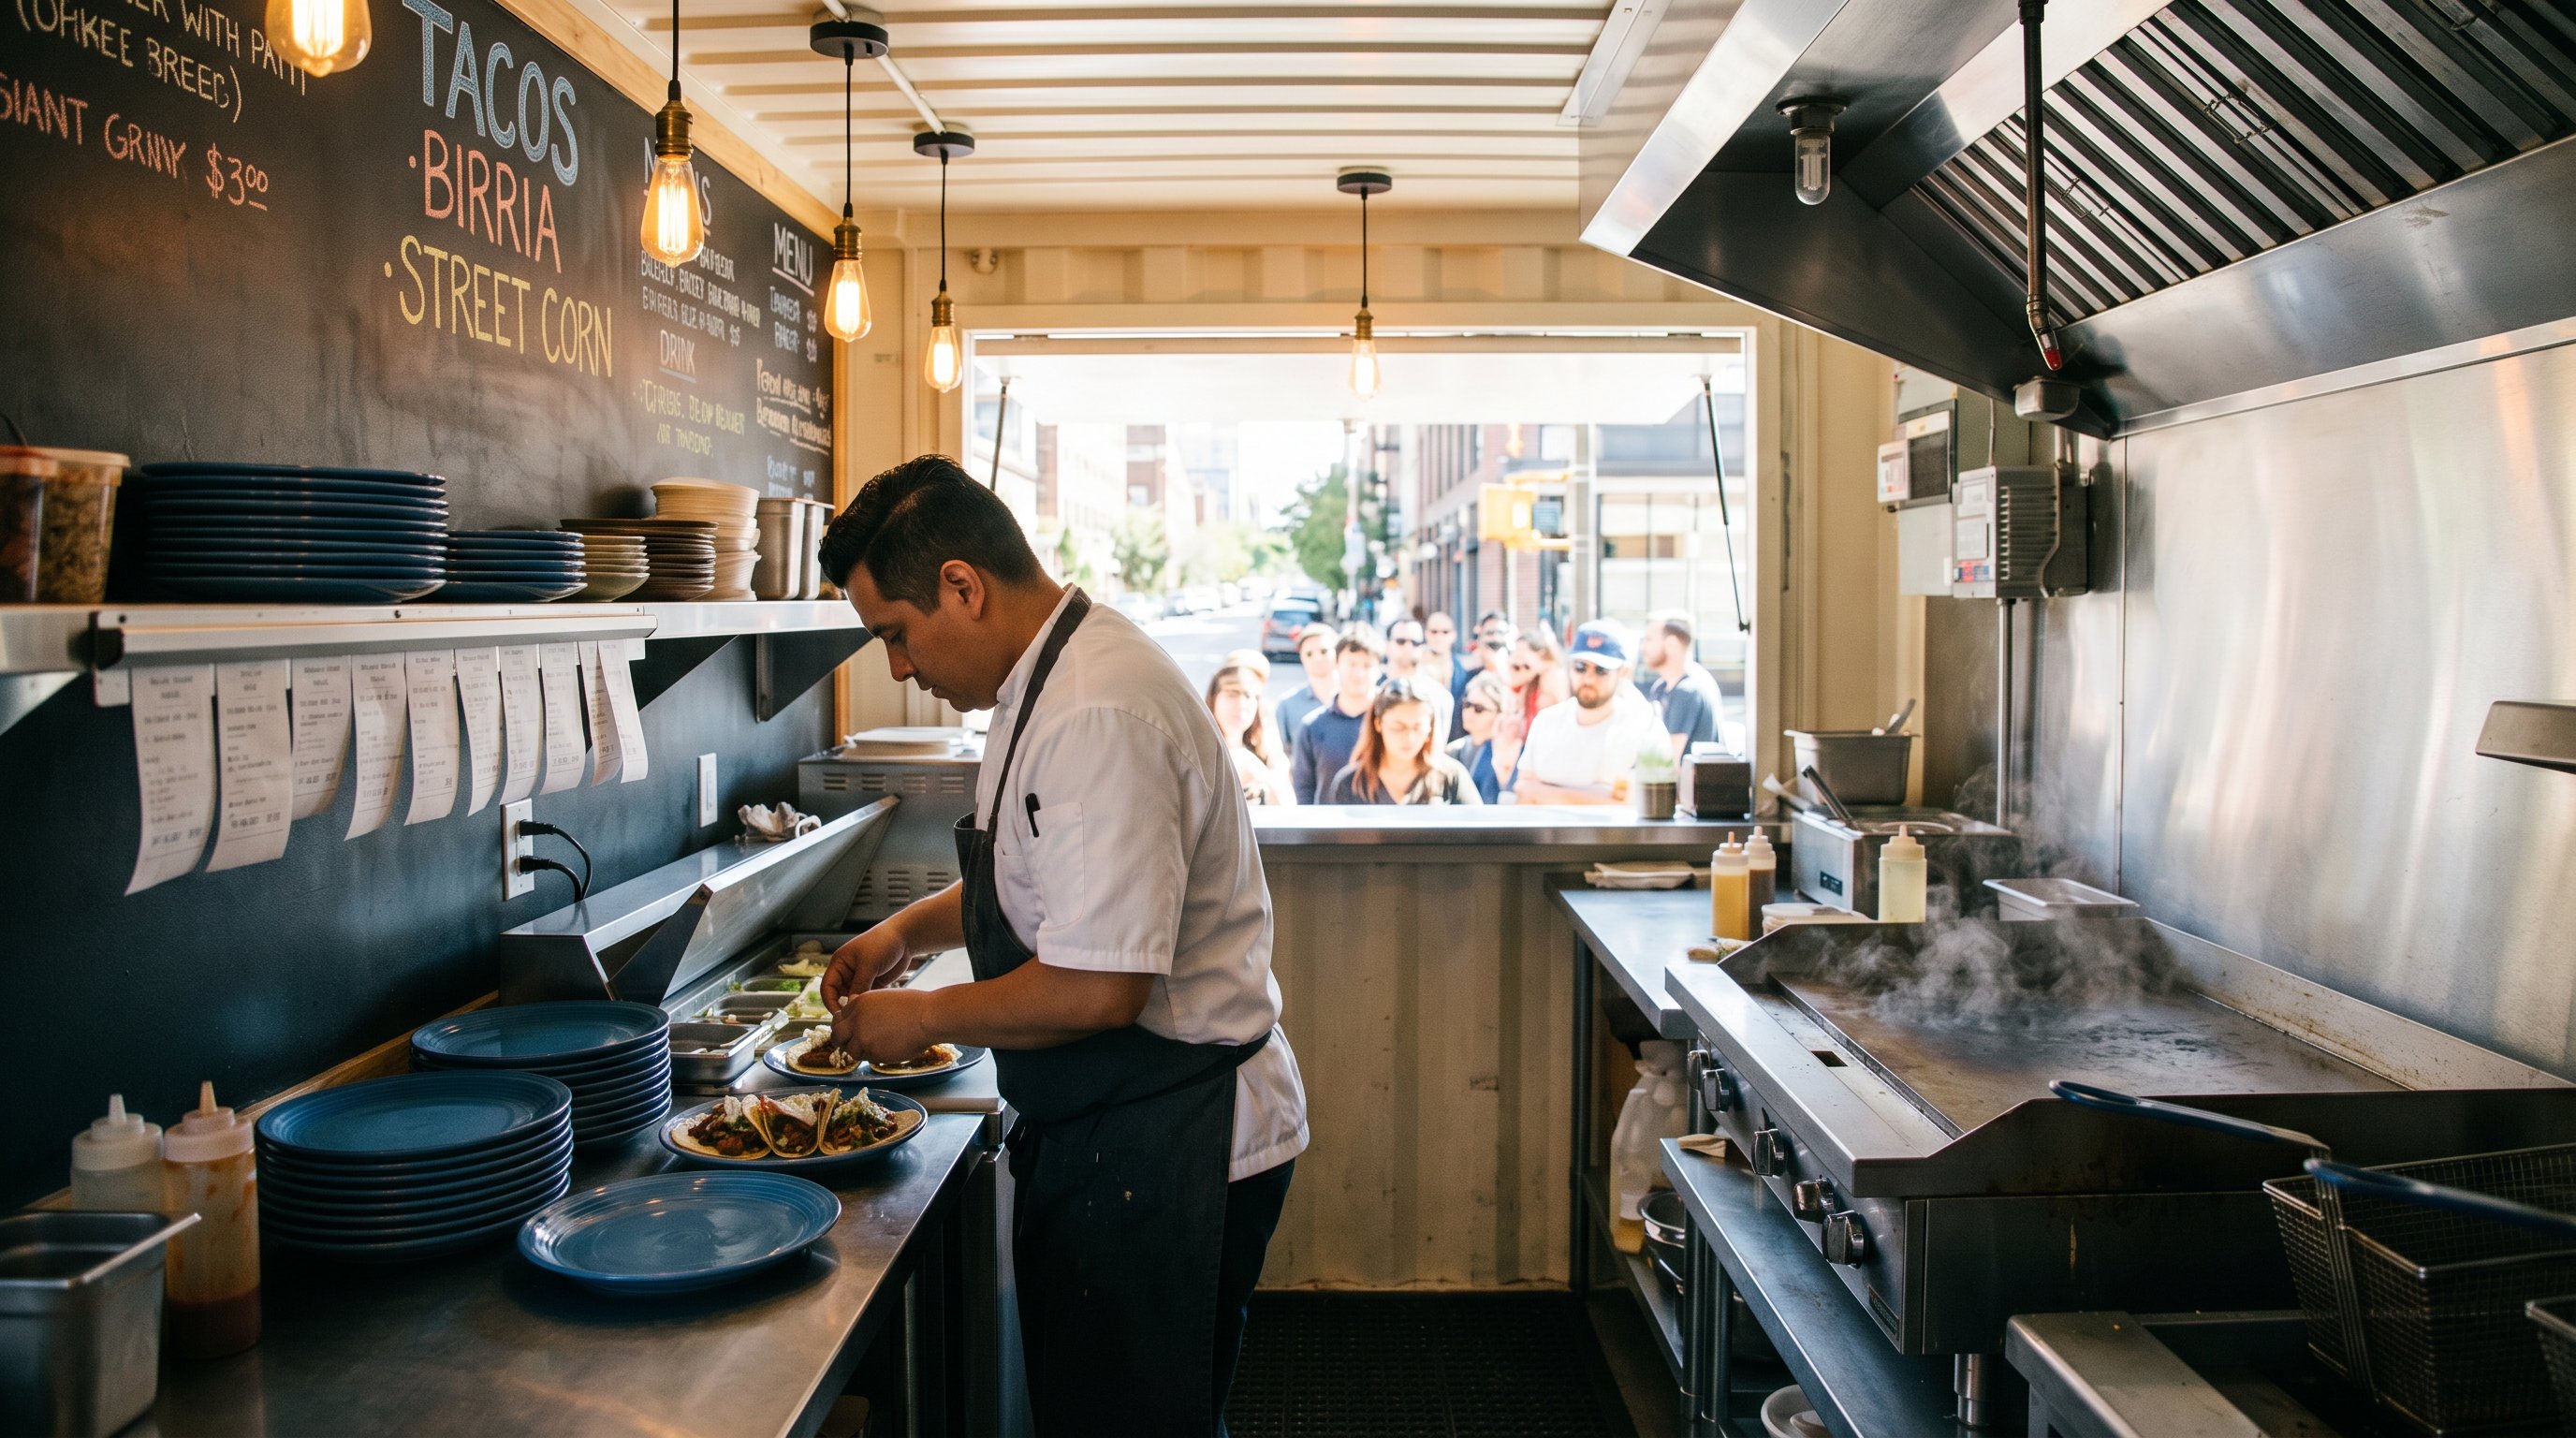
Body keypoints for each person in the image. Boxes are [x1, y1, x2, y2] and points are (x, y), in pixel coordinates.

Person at [813, 456, 1305, 1437]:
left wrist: (924, 1017)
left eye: (895, 636)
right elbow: (1040, 880)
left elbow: (1098, 989)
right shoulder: (1043, 680)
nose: (899, 668)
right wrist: (904, 931)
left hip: (1172, 1135)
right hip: (1120, 1122)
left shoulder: (1096, 710)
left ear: (962, 584)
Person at [1515, 621, 1670, 806]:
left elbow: (1637, 803)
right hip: (1548, 835)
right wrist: (1602, 795)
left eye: (1601, 670)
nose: (1588, 678)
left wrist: (1543, 792)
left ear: (1623, 672)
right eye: (1580, 667)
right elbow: (1523, 792)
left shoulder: (1645, 728)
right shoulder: (1546, 721)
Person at [1324, 676, 1483, 805]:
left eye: (1418, 728)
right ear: (1378, 723)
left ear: (1430, 728)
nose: (1409, 738)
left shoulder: (1450, 777)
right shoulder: (1351, 783)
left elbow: (1481, 836)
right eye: (1398, 727)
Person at [1289, 629, 1383, 803]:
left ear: (1379, 669)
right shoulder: (1312, 727)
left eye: (1367, 665)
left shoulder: (1390, 724)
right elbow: (1304, 790)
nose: (1359, 673)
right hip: (1329, 827)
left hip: (1381, 826)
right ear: (1337, 664)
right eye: (1352, 664)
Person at [1636, 610, 1724, 759]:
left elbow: (1668, 762)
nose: (1642, 648)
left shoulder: (1688, 690)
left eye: (1649, 640)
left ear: (1671, 643)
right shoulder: (1661, 687)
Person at [1208, 661, 1295, 806]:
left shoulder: (1266, 754)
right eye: (1232, 694)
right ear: (1213, 698)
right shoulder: (1199, 752)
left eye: (1249, 696)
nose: (1241, 704)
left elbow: (1289, 810)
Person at [1382, 617, 1455, 741]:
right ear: (1387, 645)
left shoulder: (1438, 695)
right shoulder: (1374, 689)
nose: (1408, 646)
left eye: (1415, 642)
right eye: (1401, 641)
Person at [1273, 623, 1338, 756]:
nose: (1317, 658)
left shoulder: (1354, 698)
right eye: (1309, 654)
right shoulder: (1287, 705)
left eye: (1324, 651)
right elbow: (1282, 755)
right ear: (1302, 657)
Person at [1447, 671, 1510, 804]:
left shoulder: (1504, 755)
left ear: (1499, 713)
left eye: (1479, 708)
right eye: (1467, 705)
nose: (1469, 712)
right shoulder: (1453, 750)